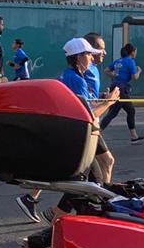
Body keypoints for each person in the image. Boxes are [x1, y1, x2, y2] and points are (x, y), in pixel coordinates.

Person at [15, 37, 120, 224]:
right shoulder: (76, 79)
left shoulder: (74, 75)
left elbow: (85, 105)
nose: (92, 57)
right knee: (87, 180)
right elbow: (88, 114)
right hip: (79, 135)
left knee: (91, 178)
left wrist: (103, 100)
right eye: (89, 54)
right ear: (79, 57)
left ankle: (61, 216)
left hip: (77, 132)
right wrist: (109, 102)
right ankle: (73, 216)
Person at [99, 43, 143, 143]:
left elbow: (107, 70)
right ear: (132, 52)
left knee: (130, 111)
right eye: (135, 51)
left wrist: (113, 75)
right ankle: (97, 133)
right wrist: (139, 71)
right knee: (113, 112)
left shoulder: (119, 61)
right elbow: (135, 77)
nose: (136, 53)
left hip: (114, 87)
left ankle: (134, 136)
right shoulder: (130, 61)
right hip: (121, 89)